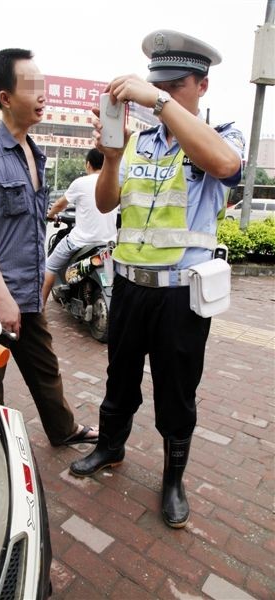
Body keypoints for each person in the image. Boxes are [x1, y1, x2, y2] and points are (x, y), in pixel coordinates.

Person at [69, 30, 245, 528]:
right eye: (156, 82)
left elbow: (227, 166)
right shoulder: (140, 139)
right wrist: (113, 153)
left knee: (176, 389)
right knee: (119, 378)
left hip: (180, 296)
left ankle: (173, 479)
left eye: (174, 83)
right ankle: (109, 448)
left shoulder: (221, 133)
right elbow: (106, 203)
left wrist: (160, 103)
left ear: (201, 86)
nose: (160, 90)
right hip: (128, 287)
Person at [0, 48, 98, 447]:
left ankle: (63, 430)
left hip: (29, 293)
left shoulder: (35, 153)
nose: (43, 95)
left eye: (44, 87)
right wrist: (2, 300)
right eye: (32, 87)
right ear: (5, 98)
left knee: (45, 368)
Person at [42, 148, 118, 306]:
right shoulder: (116, 182)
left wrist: (50, 215)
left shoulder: (81, 183)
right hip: (109, 243)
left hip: (80, 242)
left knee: (50, 266)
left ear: (88, 165)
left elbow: (59, 204)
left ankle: (39, 308)